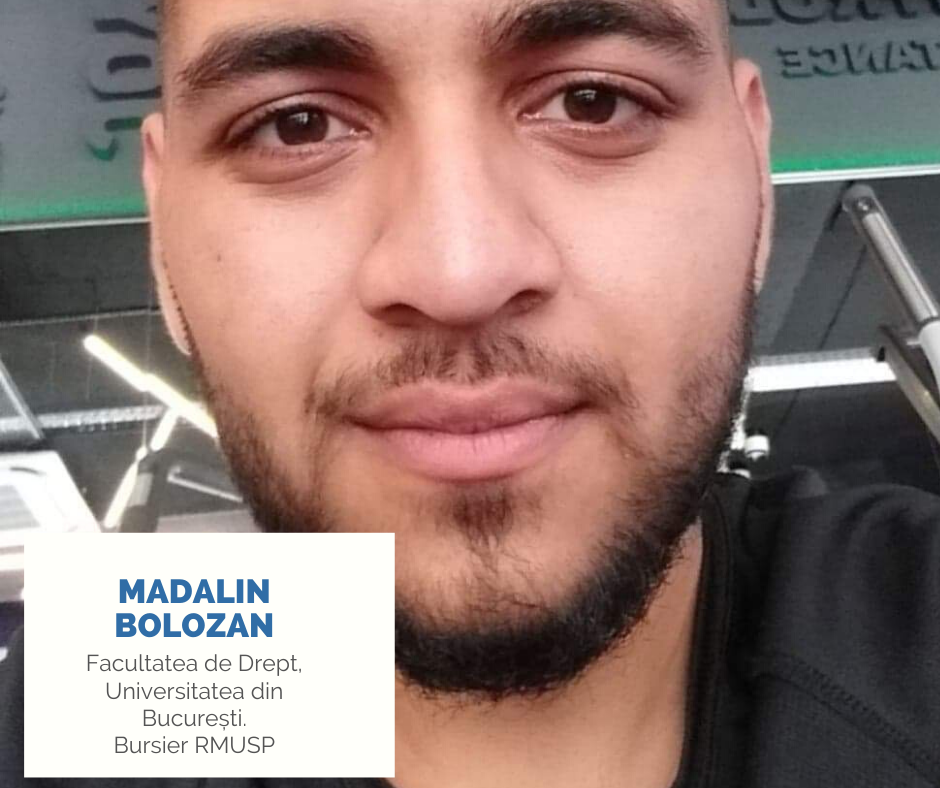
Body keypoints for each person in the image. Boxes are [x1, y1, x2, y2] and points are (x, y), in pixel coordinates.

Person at [2, 0, 940, 785]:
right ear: (163, 235)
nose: (458, 274)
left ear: (758, 187)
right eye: (297, 125)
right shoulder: (111, 680)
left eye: (593, 101)